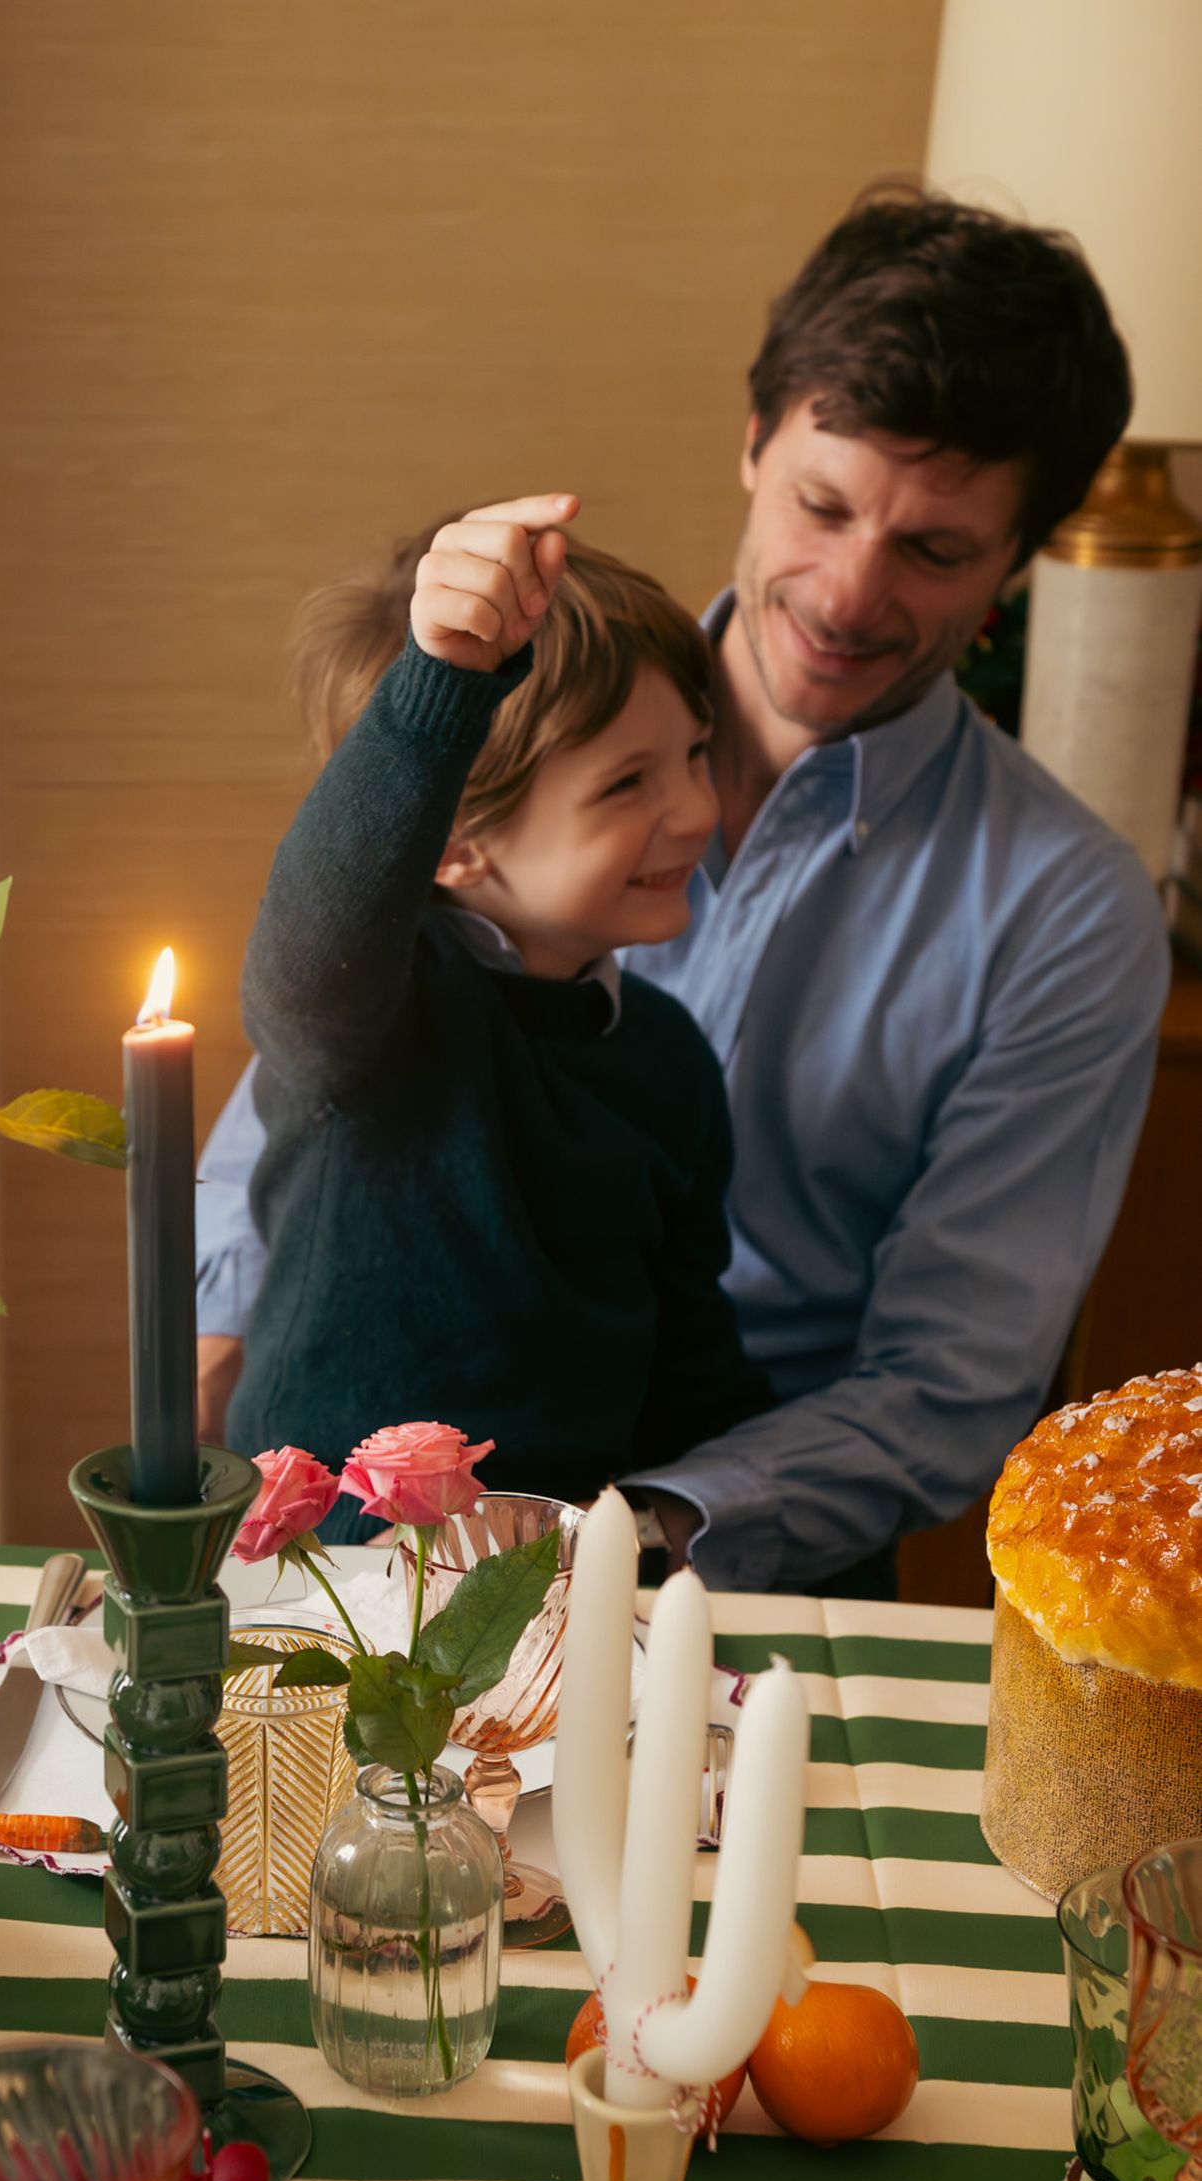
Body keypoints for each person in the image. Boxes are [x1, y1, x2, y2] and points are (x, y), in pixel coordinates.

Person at [196, 188, 1170, 1593]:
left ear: (1017, 563)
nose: (846, 594)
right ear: (756, 441)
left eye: (935, 550)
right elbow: (310, 1051)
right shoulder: (530, 699)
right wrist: (221, 1381)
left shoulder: (1065, 914)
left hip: (732, 1529)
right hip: (356, 1503)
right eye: (821, 506)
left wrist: (621, 1535)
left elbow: (952, 1389)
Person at [230, 523, 768, 1531]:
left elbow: (685, 1346)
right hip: (335, 1567)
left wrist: (702, 1523)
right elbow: (316, 934)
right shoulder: (374, 1026)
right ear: (456, 844)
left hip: (569, 1567)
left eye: (692, 756)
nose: (693, 809)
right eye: (625, 783)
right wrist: (443, 683)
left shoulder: (665, 1056)